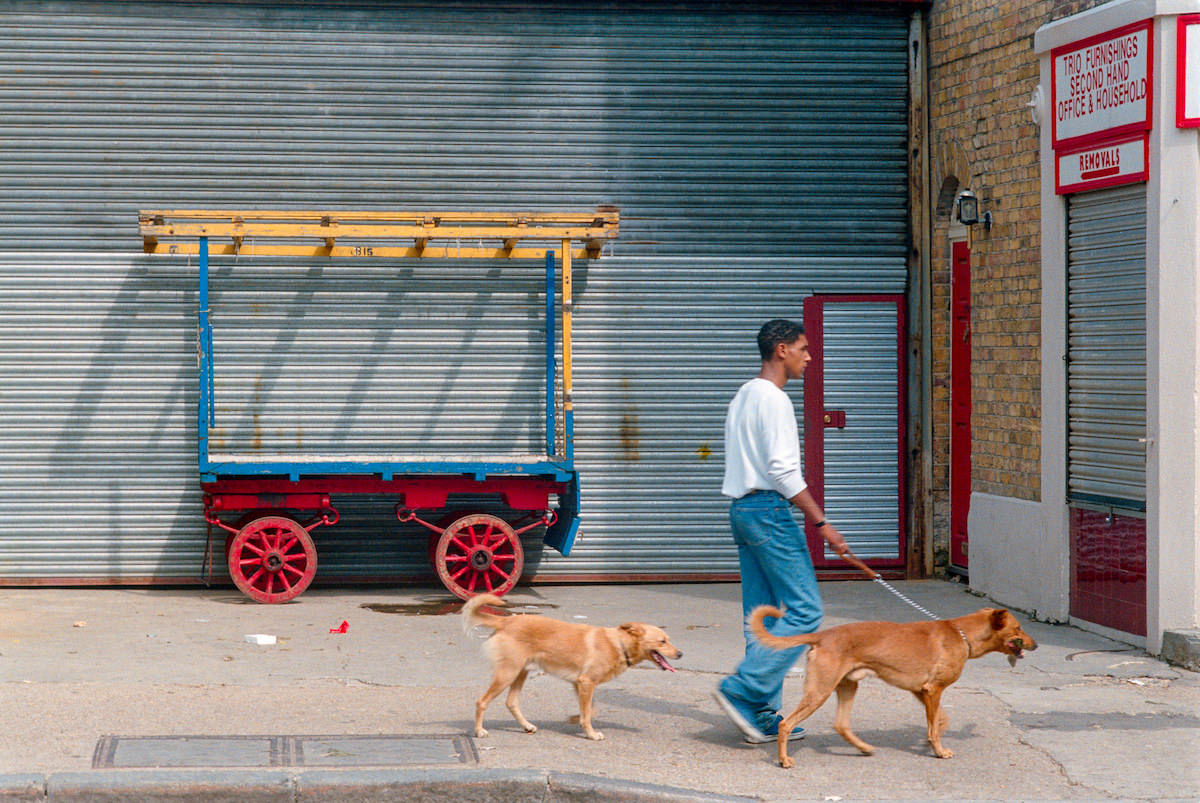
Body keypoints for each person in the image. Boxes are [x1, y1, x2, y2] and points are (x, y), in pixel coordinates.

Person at [713, 318, 850, 744]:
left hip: (743, 510)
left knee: (763, 617)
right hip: (769, 510)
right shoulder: (773, 400)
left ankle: (756, 710)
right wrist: (823, 523)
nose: (810, 357)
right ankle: (742, 690)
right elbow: (783, 470)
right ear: (781, 350)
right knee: (805, 611)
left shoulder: (742, 396)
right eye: (803, 349)